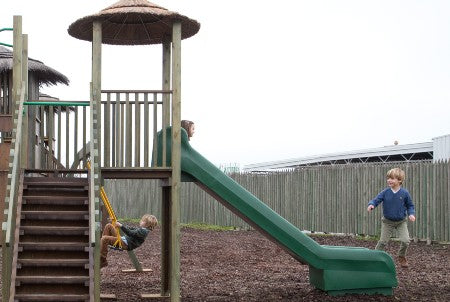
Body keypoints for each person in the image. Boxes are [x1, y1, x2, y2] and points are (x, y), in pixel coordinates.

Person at [367, 168, 415, 268]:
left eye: (392, 178)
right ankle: (374, 257)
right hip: (387, 222)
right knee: (383, 241)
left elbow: (410, 205)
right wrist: (372, 205)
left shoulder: (404, 193)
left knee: (406, 240)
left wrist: (411, 214)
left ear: (400, 180)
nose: (389, 180)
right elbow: (376, 200)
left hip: (401, 222)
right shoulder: (385, 192)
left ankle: (401, 256)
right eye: (388, 178)